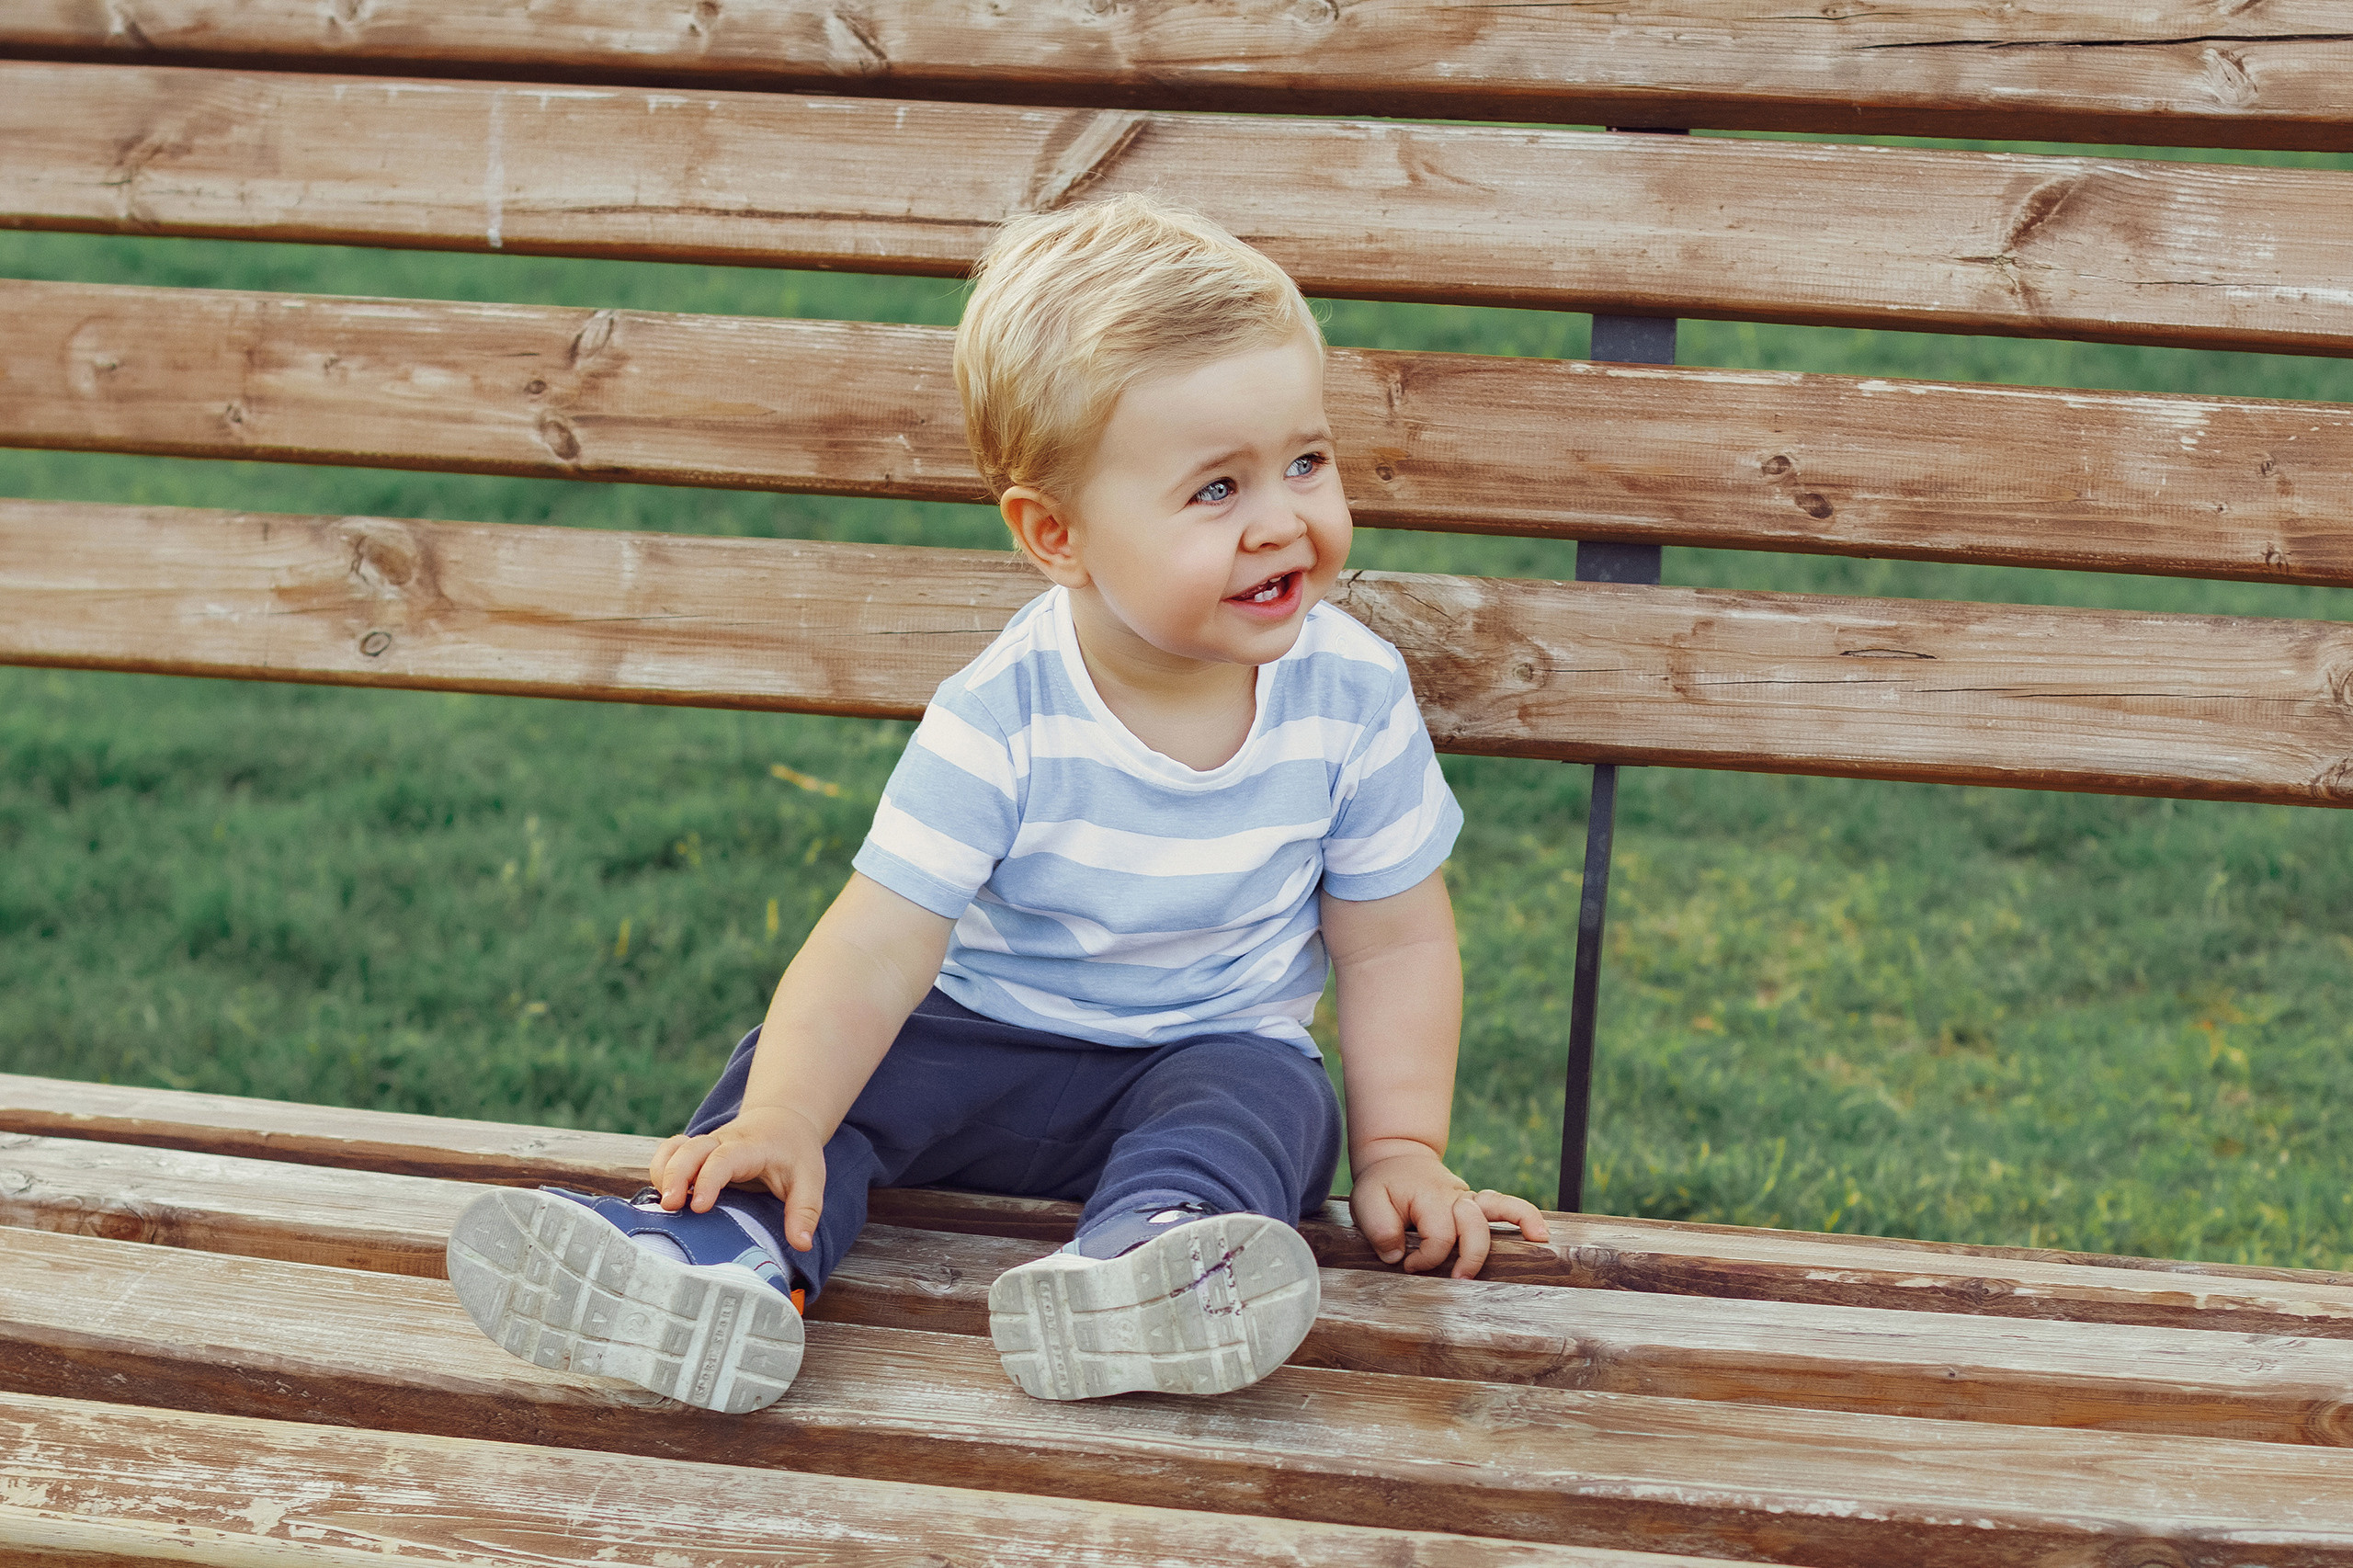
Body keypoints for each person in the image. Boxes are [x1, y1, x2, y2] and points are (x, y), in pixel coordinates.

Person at [445, 194, 1551, 1415]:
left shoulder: (1350, 695)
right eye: (1216, 490)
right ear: (1057, 534)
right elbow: (877, 941)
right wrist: (787, 1112)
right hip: (979, 1037)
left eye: (1305, 461)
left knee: (1273, 1099)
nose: (1284, 518)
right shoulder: (1003, 713)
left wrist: (1402, 1150)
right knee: (813, 1082)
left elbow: (1394, 938)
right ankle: (723, 1251)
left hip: (1203, 1047)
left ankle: (1148, 1260)